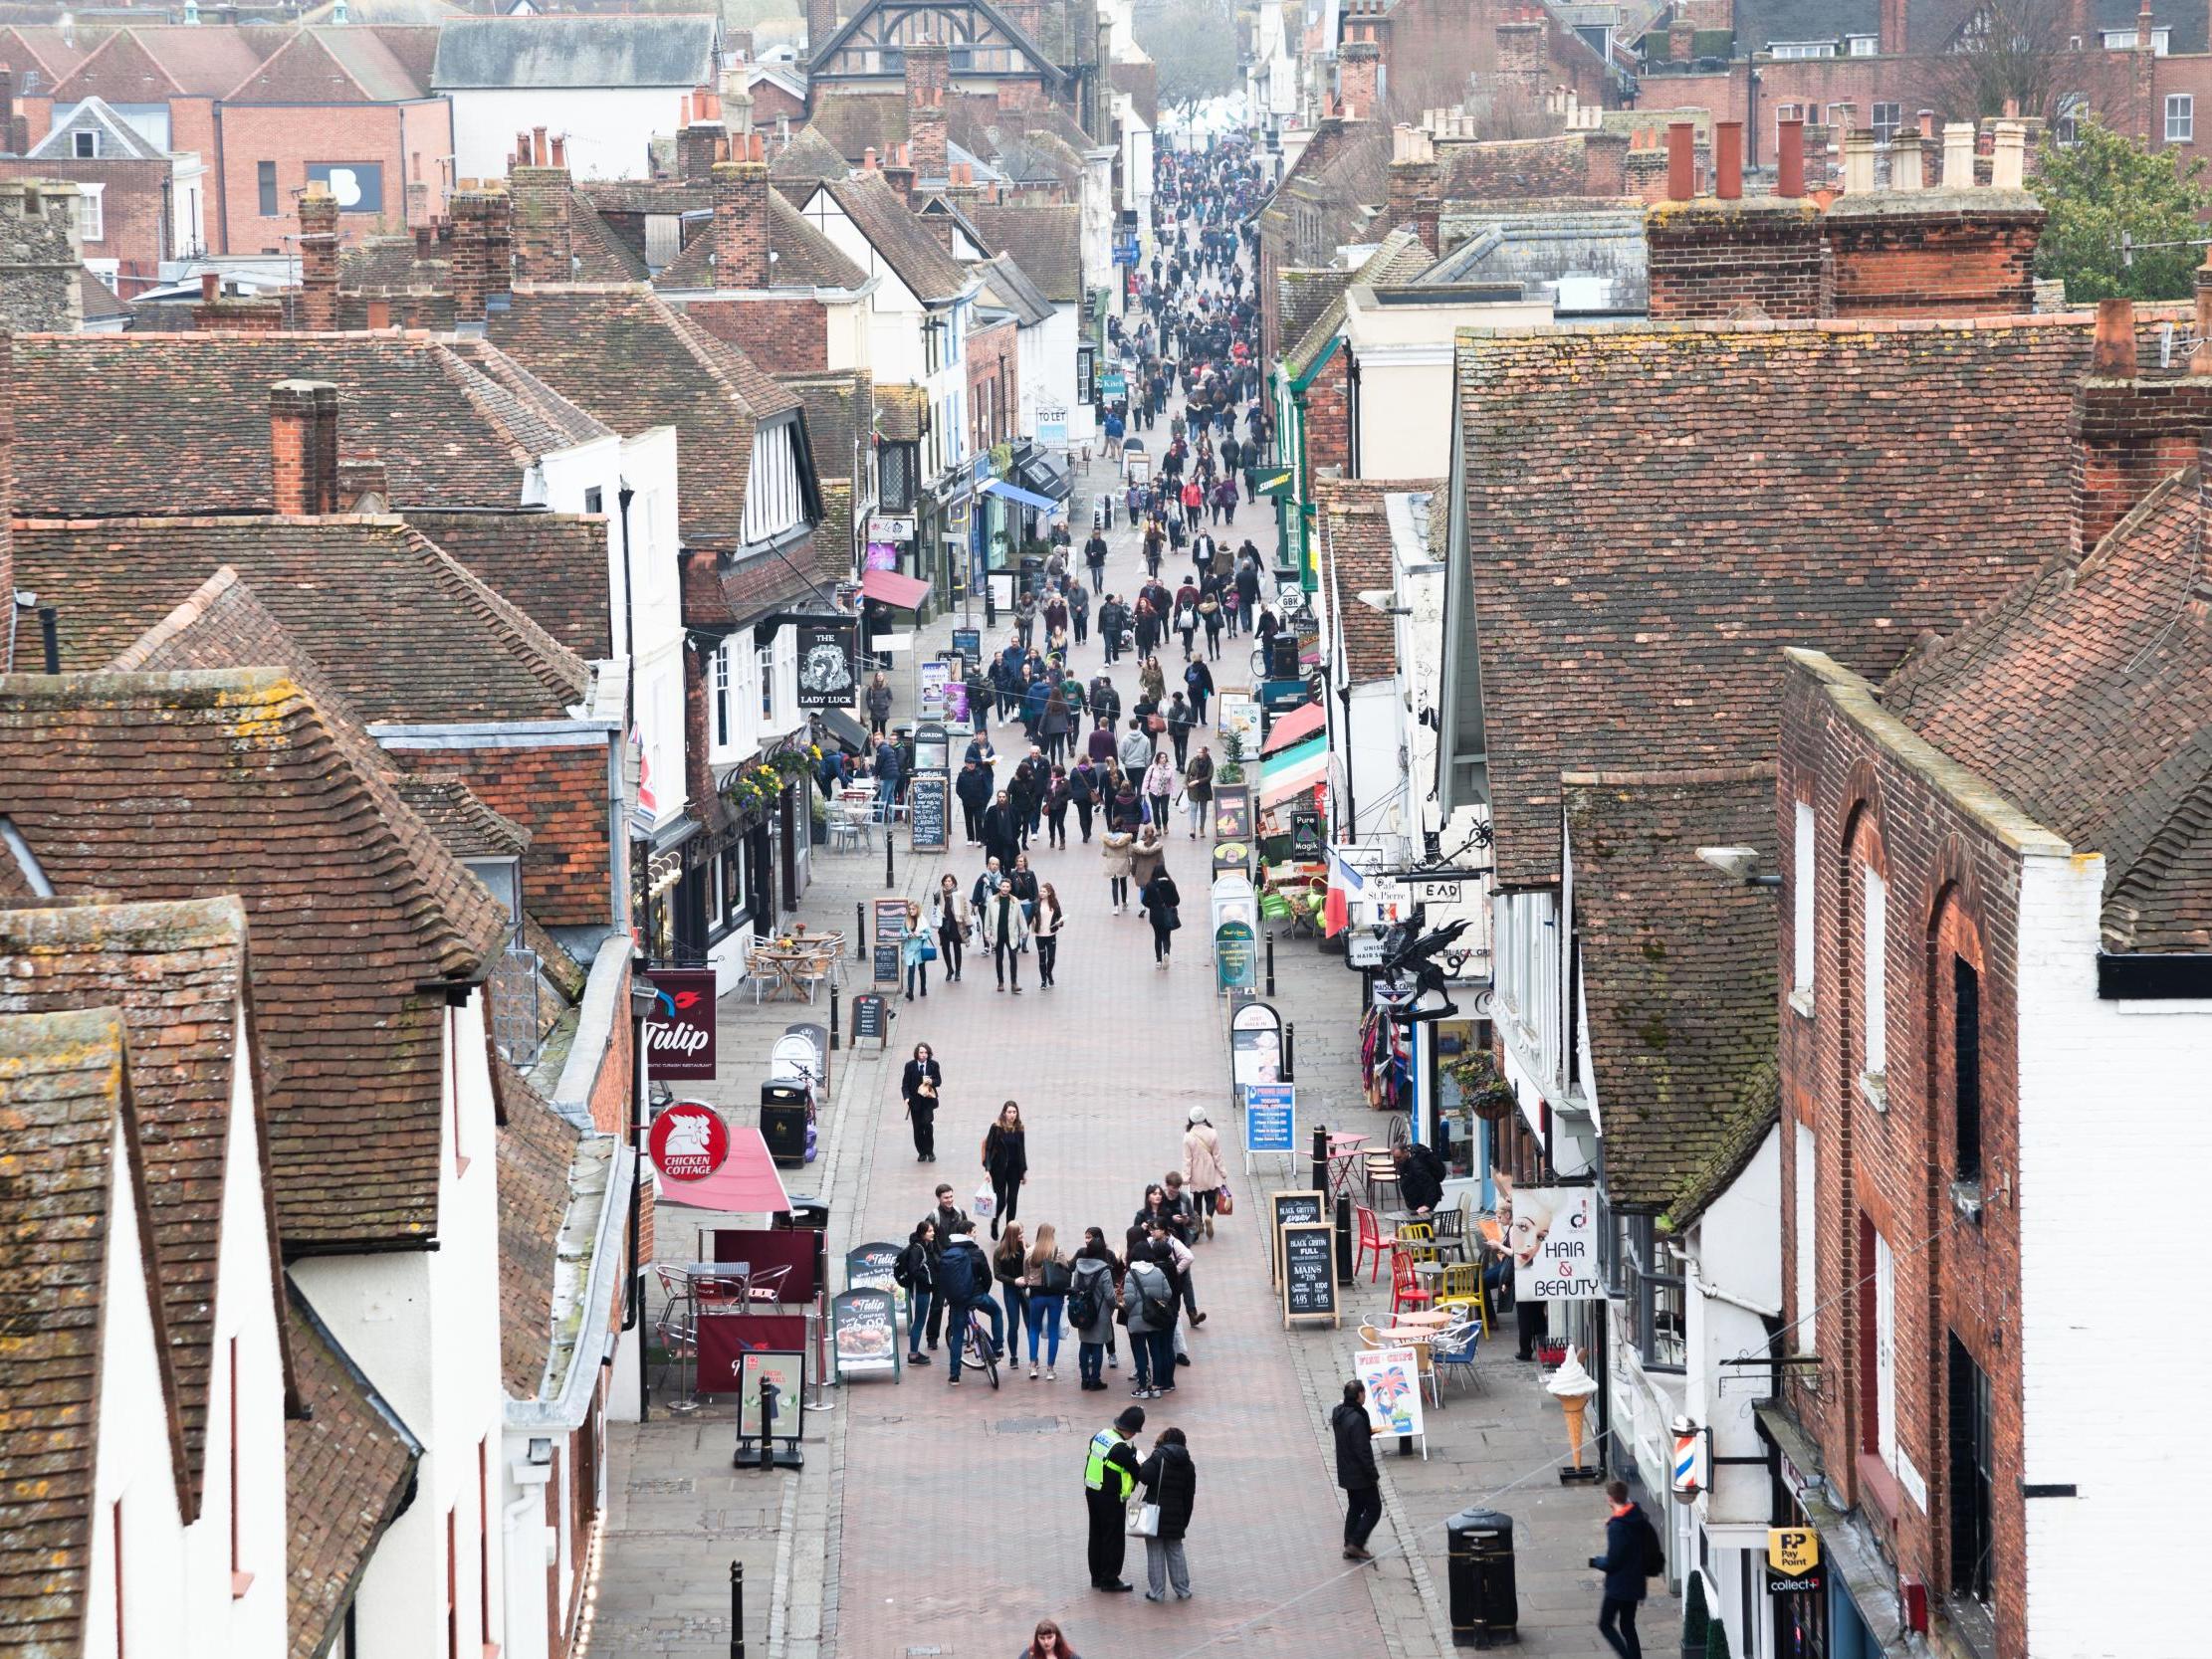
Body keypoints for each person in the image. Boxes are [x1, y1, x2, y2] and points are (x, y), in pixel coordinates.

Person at [1591, 1479, 1657, 1659]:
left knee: (1605, 1624)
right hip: (1636, 1583)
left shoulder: (1618, 1527)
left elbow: (1613, 1561)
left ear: (1610, 1499)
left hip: (1620, 1586)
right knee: (1628, 1625)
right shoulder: (1636, 1516)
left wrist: (1596, 1562)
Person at [1083, 1406, 1145, 1591]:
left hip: (1092, 1490)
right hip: (1110, 1498)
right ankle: (1110, 1579)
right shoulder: (1121, 1450)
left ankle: (1096, 1576)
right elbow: (1140, 1472)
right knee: (1113, 1538)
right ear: (1132, 1430)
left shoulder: (1100, 1435)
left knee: (1096, 1534)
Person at [938, 1220, 1003, 1386]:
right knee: (996, 1312)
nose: (976, 1234)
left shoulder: (948, 1252)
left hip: (958, 1301)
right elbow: (987, 1277)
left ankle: (954, 1376)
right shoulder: (976, 1252)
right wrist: (982, 1292)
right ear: (967, 1233)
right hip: (977, 1296)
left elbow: (943, 1279)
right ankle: (997, 1348)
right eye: (974, 1231)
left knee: (958, 1336)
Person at [1135, 1427, 1197, 1602]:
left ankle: (1157, 1592)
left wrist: (1143, 1463)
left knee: (1155, 1551)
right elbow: (1189, 1495)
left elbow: (1145, 1477)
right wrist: (1184, 1520)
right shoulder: (1188, 1463)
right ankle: (1183, 1590)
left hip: (1154, 1512)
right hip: (1176, 1515)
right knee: (1176, 1550)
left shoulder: (1158, 1457)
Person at [1333, 1379, 1383, 1560]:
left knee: (1355, 1506)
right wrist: (1372, 1473)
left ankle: (1349, 1543)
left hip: (1346, 1471)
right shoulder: (1357, 1419)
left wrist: (1367, 1431)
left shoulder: (1339, 1413)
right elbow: (1362, 1451)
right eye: (1364, 1393)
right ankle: (1356, 1543)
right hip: (1360, 1474)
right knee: (1374, 1508)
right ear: (1360, 1394)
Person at [1121, 1240, 1179, 1397]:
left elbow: (1130, 1300)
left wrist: (1126, 1309)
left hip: (1137, 1321)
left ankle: (1142, 1388)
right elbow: (1167, 1294)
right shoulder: (1158, 1272)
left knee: (1140, 1354)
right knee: (1156, 1352)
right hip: (1154, 1319)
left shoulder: (1130, 1274)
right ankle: (1157, 1386)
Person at [1070, 1229, 1120, 1390]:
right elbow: (1110, 1296)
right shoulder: (1104, 1270)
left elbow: (1076, 1287)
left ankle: (1084, 1379)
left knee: (1084, 1345)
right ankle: (1095, 1380)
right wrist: (1116, 1306)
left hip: (1083, 1312)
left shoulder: (1079, 1267)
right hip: (1101, 1313)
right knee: (1097, 1346)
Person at [1023, 1222, 1070, 1381]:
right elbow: (1066, 1269)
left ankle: (1032, 1366)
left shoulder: (1030, 1251)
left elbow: (1026, 1274)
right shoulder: (1058, 1251)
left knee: (1034, 1329)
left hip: (1036, 1295)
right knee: (1053, 1330)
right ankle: (1050, 1369)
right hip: (1055, 1295)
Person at [983, 1100, 1028, 1235]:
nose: (1012, 1115)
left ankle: (1009, 1233)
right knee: (1001, 1201)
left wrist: (1023, 1171)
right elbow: (989, 1149)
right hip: (999, 1170)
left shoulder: (1020, 1128)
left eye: (1014, 1112)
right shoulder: (996, 1127)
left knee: (1012, 1201)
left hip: (1014, 1170)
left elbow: (1022, 1151)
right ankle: (995, 1221)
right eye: (1009, 1112)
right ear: (1004, 1113)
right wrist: (987, 1170)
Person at [896, 1219, 937, 1365]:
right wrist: (927, 1280)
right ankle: (913, 1355)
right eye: (929, 1231)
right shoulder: (917, 1249)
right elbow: (914, 1271)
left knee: (919, 1321)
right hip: (920, 1289)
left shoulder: (925, 1245)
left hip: (922, 1289)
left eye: (932, 1230)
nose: (933, 1233)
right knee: (919, 1322)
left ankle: (914, 1352)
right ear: (922, 1233)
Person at [1183, 1107, 1226, 1241]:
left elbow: (1187, 1160)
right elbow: (1217, 1155)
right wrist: (1223, 1171)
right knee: (1210, 1197)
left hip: (1196, 1172)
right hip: (1210, 1171)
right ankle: (1209, 1216)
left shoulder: (1188, 1137)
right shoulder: (1213, 1133)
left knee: (1197, 1199)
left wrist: (1185, 1177)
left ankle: (1199, 1223)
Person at [995, 1223, 1032, 1373]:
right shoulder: (1000, 1251)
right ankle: (1014, 1356)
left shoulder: (1026, 1247)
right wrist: (1014, 1281)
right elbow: (997, 1274)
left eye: (1022, 1233)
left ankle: (1033, 1356)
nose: (1022, 1236)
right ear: (1011, 1235)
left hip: (1026, 1289)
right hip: (1011, 1289)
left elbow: (1035, 1266)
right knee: (1014, 1324)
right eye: (1019, 1234)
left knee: (1030, 1324)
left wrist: (1025, 1250)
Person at [984, 875, 1031, 992]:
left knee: (1013, 957)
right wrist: (986, 932)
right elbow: (987, 917)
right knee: (999, 958)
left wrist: (1024, 930)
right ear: (1000, 887)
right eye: (1003, 886)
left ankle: (1014, 983)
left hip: (1011, 934)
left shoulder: (1015, 901)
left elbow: (1020, 916)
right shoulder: (991, 901)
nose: (1005, 888)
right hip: (998, 934)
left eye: (1007, 886)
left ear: (1010, 888)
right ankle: (1000, 982)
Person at [901, 1043, 942, 1161]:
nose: (924, 1055)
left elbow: (939, 1081)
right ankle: (921, 1152)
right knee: (917, 1128)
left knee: (928, 1125)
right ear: (917, 1054)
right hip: (915, 1102)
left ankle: (930, 1151)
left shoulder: (933, 1065)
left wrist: (931, 1081)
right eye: (921, 1053)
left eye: (926, 1053)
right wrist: (906, 1097)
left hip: (928, 1101)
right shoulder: (910, 1066)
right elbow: (905, 1085)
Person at [1139, 857, 1182, 966]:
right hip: (1167, 914)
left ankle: (1158, 961)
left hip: (1155, 915)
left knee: (1157, 937)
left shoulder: (1150, 885)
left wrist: (1152, 906)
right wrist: (1170, 905)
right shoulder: (1171, 884)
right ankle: (1166, 952)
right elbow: (1177, 900)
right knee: (1166, 936)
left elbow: (1144, 901)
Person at [930, 873, 969, 984]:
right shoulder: (938, 894)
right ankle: (949, 969)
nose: (947, 883)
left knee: (957, 948)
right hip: (944, 924)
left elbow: (965, 909)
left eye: (949, 881)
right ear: (943, 882)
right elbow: (936, 909)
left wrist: (968, 924)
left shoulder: (958, 894)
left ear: (953, 883)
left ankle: (958, 971)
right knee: (945, 948)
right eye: (946, 881)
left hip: (955, 924)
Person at [1395, 1138, 1448, 1215]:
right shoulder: (1407, 1159)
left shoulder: (1417, 1165)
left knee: (1422, 1224)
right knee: (1416, 1224)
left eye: (1398, 1157)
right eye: (1395, 1157)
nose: (1397, 1160)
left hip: (1424, 1200)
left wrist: (1427, 1205)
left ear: (1405, 1152)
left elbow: (1430, 1184)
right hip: (1416, 1200)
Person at [900, 899, 934, 1000]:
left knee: (922, 969)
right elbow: (901, 932)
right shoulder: (906, 920)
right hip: (910, 949)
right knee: (911, 970)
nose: (911, 911)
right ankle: (910, 992)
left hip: (920, 949)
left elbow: (929, 934)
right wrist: (908, 935)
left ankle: (923, 988)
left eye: (913, 909)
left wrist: (920, 935)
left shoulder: (922, 920)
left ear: (917, 909)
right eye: (909, 909)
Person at [1035, 883, 1066, 988]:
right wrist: (1024, 928)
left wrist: (1060, 923)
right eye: (1041, 891)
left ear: (1049, 893)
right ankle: (1043, 980)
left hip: (1051, 935)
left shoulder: (1054, 903)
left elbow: (1060, 917)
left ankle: (1049, 973)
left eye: (1044, 891)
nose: (1041, 893)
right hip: (1040, 935)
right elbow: (1030, 916)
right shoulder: (1036, 903)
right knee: (1042, 959)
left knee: (1051, 958)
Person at [1101, 823, 1136, 913]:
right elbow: (1130, 852)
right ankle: (1124, 903)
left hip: (1111, 864)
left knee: (1114, 884)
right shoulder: (1126, 839)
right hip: (1123, 863)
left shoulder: (1107, 839)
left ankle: (1115, 907)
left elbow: (1103, 853)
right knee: (1123, 883)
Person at [1182, 745, 1214, 839]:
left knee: (1203, 810)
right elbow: (1188, 773)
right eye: (1197, 752)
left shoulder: (1209, 763)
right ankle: (1192, 829)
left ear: (1205, 753)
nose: (1198, 754)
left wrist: (1197, 781)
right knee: (1193, 809)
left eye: (1201, 752)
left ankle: (1202, 828)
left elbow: (1209, 777)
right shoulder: (1193, 761)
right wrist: (1185, 782)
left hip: (1204, 788)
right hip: (1193, 789)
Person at [1142, 750, 1177, 830]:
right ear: (1158, 759)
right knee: (1155, 811)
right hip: (1153, 792)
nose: (1164, 759)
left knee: (1164, 810)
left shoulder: (1170, 768)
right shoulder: (1152, 768)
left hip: (1165, 793)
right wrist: (1143, 792)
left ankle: (1165, 825)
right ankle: (1158, 828)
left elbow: (1173, 782)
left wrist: (1174, 795)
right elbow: (1146, 779)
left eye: (1165, 757)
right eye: (1162, 758)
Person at [866, 672, 893, 738]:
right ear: (876, 677)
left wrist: (887, 705)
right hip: (874, 710)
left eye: (881, 675)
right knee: (874, 727)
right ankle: (875, 740)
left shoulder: (887, 687)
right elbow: (868, 698)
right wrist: (870, 706)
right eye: (878, 675)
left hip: (883, 710)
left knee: (882, 727)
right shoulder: (871, 687)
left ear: (883, 677)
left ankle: (882, 740)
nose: (880, 677)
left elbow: (890, 698)